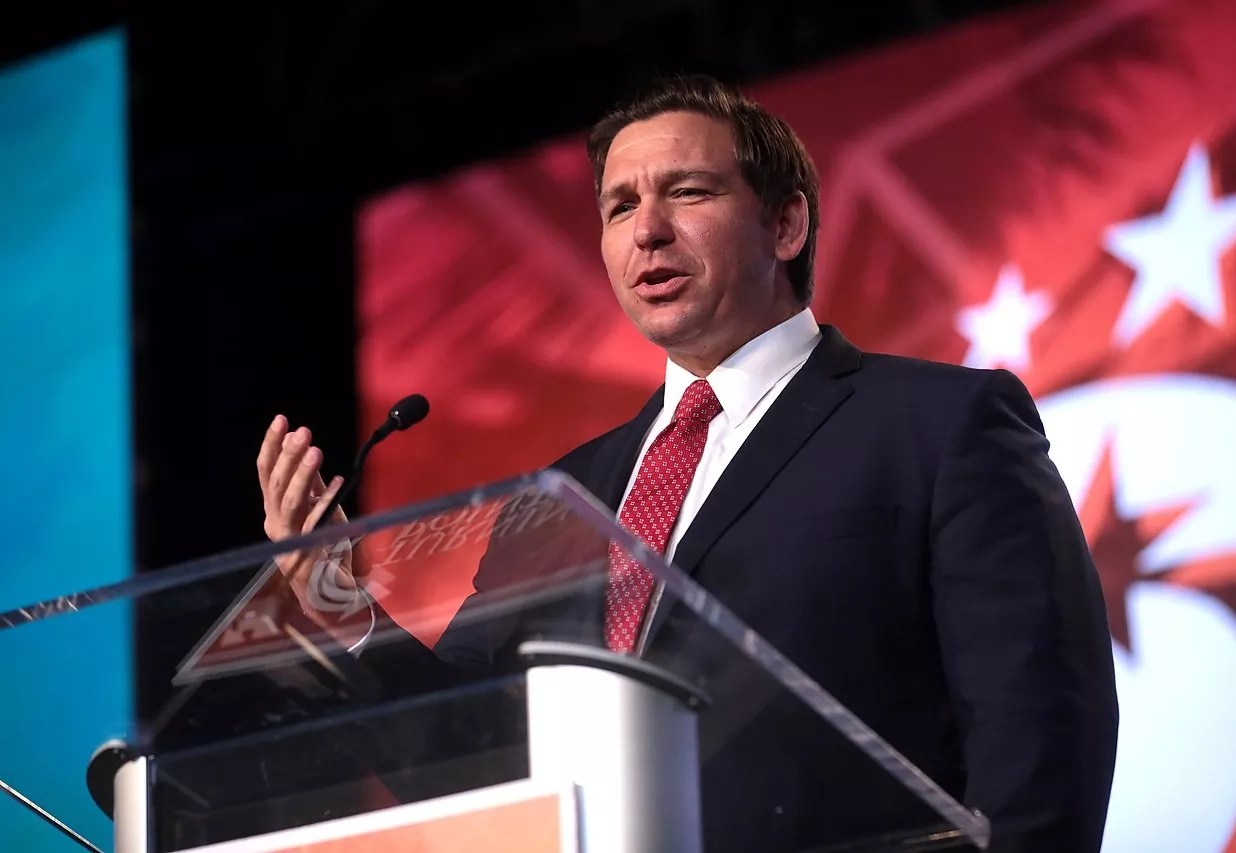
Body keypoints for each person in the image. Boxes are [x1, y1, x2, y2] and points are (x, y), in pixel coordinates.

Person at [258, 74, 1119, 851]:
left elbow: (1042, 729)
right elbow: (466, 751)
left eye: (688, 191)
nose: (647, 231)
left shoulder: (940, 425)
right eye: (619, 207)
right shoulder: (559, 496)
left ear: (785, 224)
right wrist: (337, 599)